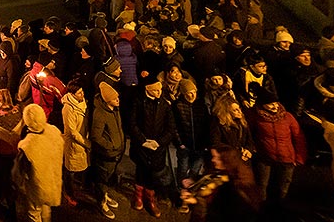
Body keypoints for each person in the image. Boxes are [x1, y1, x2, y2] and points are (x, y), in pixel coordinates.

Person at [129, 77, 178, 218]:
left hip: (157, 147)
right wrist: (143, 140)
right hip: (141, 146)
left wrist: (159, 142)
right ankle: (138, 195)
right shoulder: (138, 102)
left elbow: (171, 127)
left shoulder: (164, 104)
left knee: (153, 174)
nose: (159, 92)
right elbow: (132, 123)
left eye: (160, 89)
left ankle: (150, 198)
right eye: (156, 90)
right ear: (147, 89)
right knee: (141, 170)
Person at [179, 145, 264, 222]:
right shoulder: (217, 175)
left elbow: (220, 210)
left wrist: (196, 201)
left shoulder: (234, 186)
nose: (213, 160)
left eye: (216, 157)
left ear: (226, 160)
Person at [12, 103, 64, 222]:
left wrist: (19, 185)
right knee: (47, 208)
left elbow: (19, 171)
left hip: (37, 187)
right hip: (52, 181)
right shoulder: (54, 132)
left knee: (34, 212)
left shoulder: (27, 145)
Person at [0, 88, 23, 218]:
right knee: (10, 179)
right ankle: (11, 203)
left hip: (0, 154)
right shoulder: (18, 113)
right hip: (13, 153)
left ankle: (0, 199)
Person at [91, 81, 124, 219]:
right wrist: (112, 146)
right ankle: (101, 202)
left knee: (107, 179)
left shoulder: (114, 110)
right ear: (108, 100)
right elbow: (96, 136)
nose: (118, 100)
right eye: (115, 98)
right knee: (102, 180)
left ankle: (105, 195)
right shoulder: (100, 114)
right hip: (107, 154)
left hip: (115, 152)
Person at [60, 78, 89, 208]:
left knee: (80, 167)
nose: (82, 95)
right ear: (71, 95)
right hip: (74, 143)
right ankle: (68, 193)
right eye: (79, 93)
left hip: (82, 140)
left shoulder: (82, 103)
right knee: (70, 170)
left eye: (82, 92)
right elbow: (71, 131)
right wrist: (86, 142)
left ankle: (77, 188)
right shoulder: (68, 108)